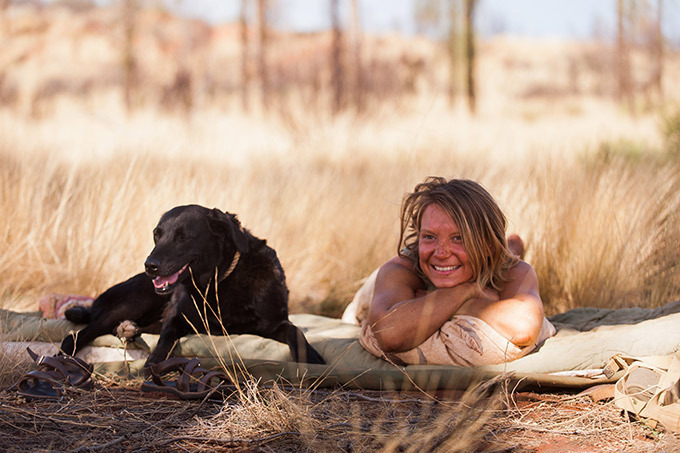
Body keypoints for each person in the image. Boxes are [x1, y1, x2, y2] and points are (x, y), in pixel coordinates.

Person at [354, 177, 556, 366]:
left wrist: (445, 301)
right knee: (361, 303)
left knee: (509, 257)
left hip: (491, 262)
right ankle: (510, 245)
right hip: (372, 290)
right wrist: (466, 291)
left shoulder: (514, 270)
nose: (441, 252)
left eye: (458, 238)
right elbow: (388, 333)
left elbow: (523, 328)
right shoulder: (401, 268)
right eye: (429, 237)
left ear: (488, 246)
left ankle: (511, 246)